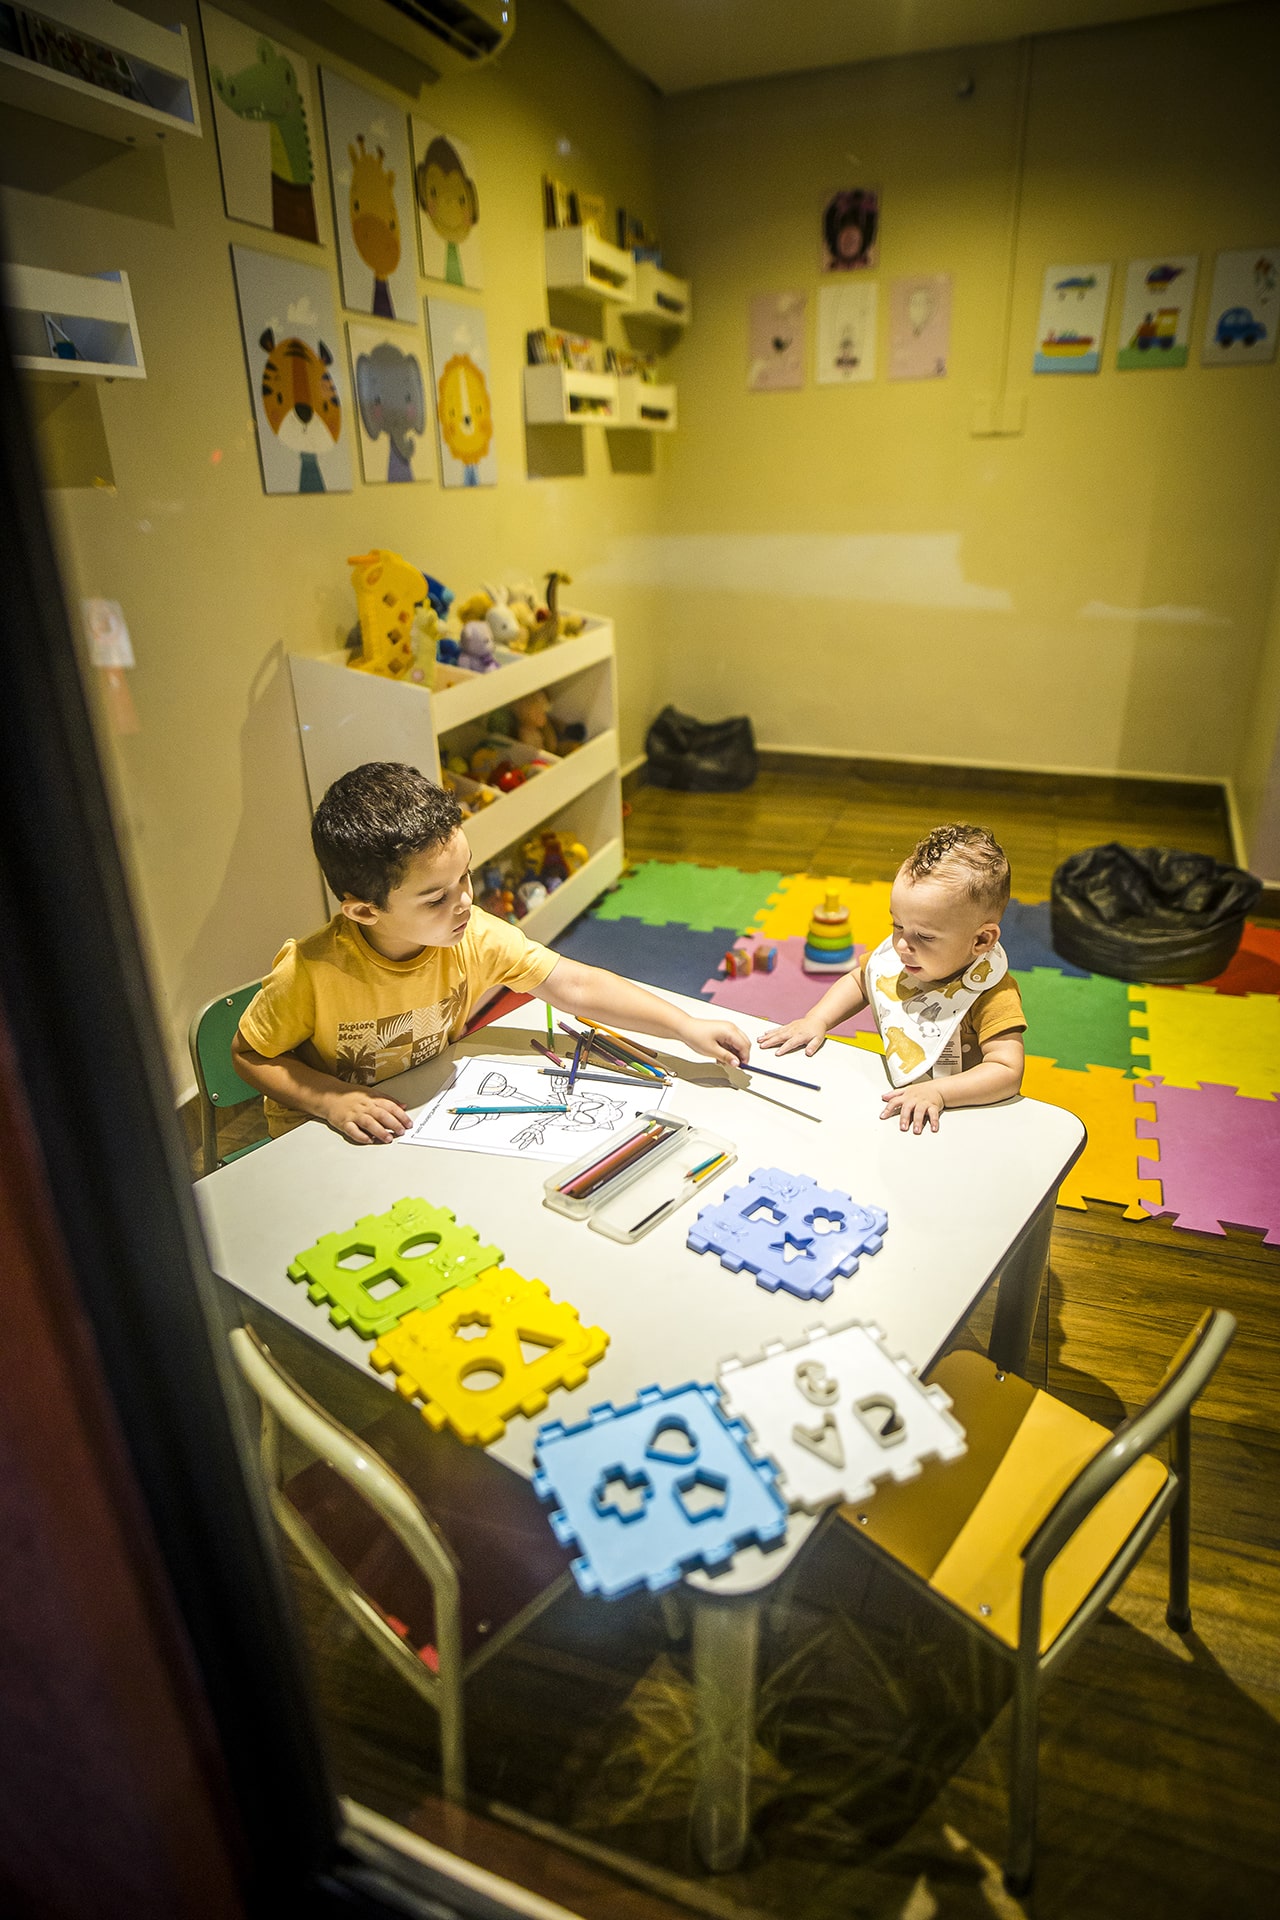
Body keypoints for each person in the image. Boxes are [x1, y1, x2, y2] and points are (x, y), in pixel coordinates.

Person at [232, 763, 751, 1144]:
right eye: (436, 897)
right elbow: (249, 1053)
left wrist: (685, 1027)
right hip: (319, 1138)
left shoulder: (472, 935)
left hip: (420, 1117)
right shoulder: (311, 971)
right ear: (365, 912)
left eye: (466, 876)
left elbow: (576, 985)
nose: (465, 902)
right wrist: (328, 1099)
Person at [760, 824, 1025, 1134]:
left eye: (924, 936)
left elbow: (1007, 1071)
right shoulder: (904, 959)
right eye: (897, 925)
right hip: (904, 1104)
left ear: (981, 940)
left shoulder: (992, 994)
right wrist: (816, 1019)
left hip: (964, 1116)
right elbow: (860, 980)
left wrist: (940, 1092)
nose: (901, 945)